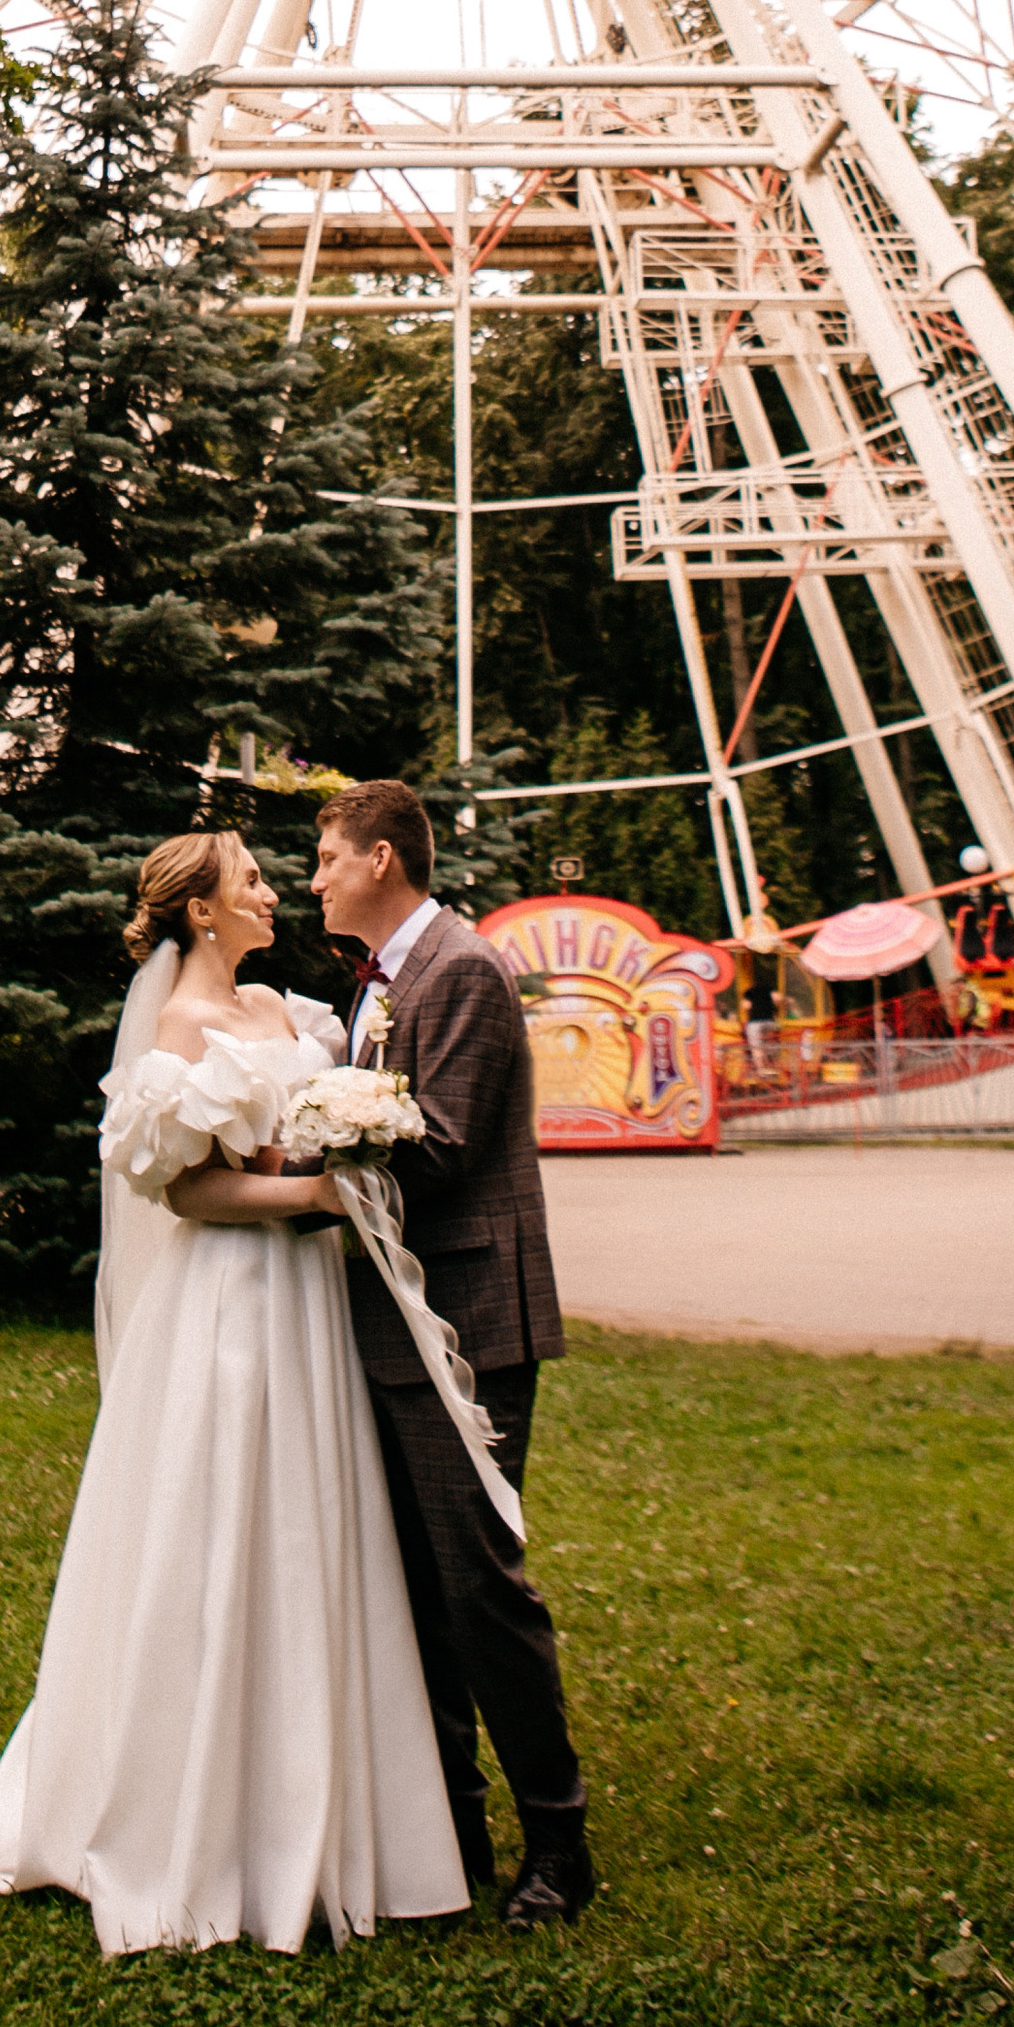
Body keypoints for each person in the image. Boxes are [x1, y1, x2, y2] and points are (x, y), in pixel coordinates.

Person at [0, 828, 466, 1954]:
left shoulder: (289, 1015)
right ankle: (190, 1811)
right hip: (231, 1312)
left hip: (305, 1313)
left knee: (308, 1533)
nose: (270, 891)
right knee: (217, 1536)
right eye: (251, 880)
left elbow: (302, 1143)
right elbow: (191, 1196)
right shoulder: (181, 1030)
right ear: (201, 913)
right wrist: (313, 1201)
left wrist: (338, 1166)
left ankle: (318, 1799)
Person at [311, 778, 595, 1930]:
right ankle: (453, 1826)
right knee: (417, 1588)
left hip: (467, 1322)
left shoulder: (462, 969)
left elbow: (437, 1146)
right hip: (394, 1317)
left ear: (383, 858)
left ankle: (560, 1844)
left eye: (328, 856)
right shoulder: (377, 982)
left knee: (478, 1587)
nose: (315, 876)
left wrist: (291, 1180)